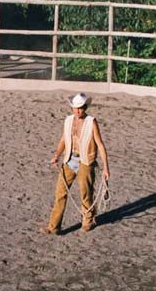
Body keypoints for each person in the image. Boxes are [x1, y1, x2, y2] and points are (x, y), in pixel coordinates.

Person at [41, 92, 110, 234]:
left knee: (86, 193)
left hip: (86, 161)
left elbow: (100, 145)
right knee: (60, 193)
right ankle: (54, 226)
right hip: (69, 160)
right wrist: (57, 155)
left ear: (85, 108)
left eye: (80, 108)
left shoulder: (92, 122)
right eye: (75, 108)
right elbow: (63, 140)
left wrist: (106, 168)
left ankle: (88, 220)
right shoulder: (68, 121)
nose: (78, 111)